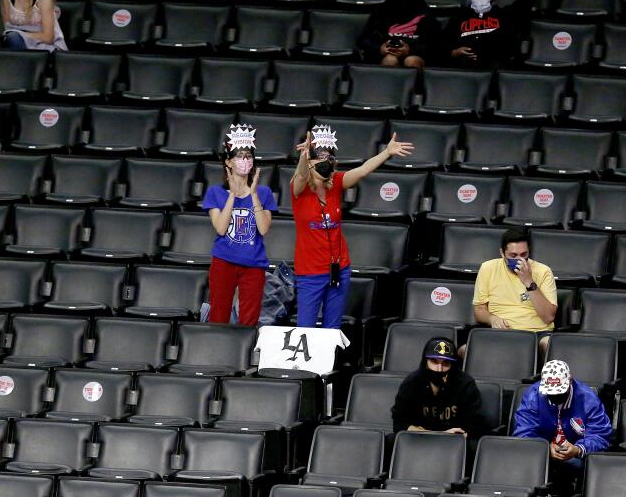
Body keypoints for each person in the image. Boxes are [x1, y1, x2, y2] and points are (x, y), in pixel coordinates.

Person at [292, 125, 413, 328]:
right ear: (311, 161)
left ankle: (330, 361)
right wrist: (304, 157)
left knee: (332, 328)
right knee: (305, 328)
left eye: (329, 158)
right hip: (310, 273)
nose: (326, 162)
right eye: (320, 158)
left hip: (339, 268)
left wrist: (387, 152)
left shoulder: (337, 182)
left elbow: (364, 170)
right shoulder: (300, 190)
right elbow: (302, 176)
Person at [203, 124, 277, 326]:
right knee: (218, 315)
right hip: (224, 261)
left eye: (248, 156)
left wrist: (252, 195)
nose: (245, 160)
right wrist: (233, 194)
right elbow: (220, 227)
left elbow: (263, 229)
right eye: (239, 156)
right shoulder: (215, 192)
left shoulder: (263, 193)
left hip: (254, 263)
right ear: (228, 161)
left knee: (249, 320)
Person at [513, 360, 612, 492]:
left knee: (576, 466)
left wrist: (577, 449)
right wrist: (545, 447)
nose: (554, 395)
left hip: (577, 455)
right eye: (551, 392)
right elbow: (522, 432)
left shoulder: (588, 398)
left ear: (570, 381)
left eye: (559, 392)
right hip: (541, 453)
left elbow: (600, 435)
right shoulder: (533, 395)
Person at [469, 227, 557, 358]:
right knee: (465, 351)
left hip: (537, 333)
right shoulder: (488, 268)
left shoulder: (543, 271)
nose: (519, 260)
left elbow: (548, 317)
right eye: (513, 255)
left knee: (549, 344)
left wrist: (529, 282)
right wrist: (491, 318)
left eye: (524, 255)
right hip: (502, 332)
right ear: (502, 253)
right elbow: (479, 310)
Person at [392, 337, 487, 436]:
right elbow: (399, 424)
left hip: (455, 442)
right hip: (420, 440)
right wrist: (439, 434)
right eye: (434, 361)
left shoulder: (466, 384)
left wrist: (459, 435)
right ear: (425, 362)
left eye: (446, 363)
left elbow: (476, 425)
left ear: (453, 365)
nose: (439, 369)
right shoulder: (411, 383)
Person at [442, 0, 534, 69]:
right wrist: (454, 53)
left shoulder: (506, 16)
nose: (479, 0)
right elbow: (441, 45)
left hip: (494, 69)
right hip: (464, 68)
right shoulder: (459, 16)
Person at [358, 0, 440, 68]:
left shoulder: (424, 13)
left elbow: (436, 44)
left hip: (416, 55)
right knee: (390, 60)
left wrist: (410, 50)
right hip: (386, 55)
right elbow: (363, 40)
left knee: (411, 61)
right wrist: (380, 48)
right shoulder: (380, 12)